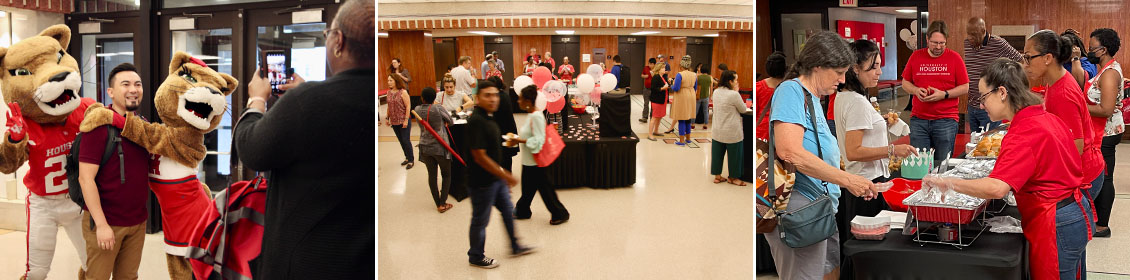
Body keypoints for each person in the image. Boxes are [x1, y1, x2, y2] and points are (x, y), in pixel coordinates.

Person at [234, 0, 374, 277]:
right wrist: (307, 91)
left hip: (305, 259)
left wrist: (256, 101)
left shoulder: (308, 101)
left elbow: (251, 149)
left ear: (339, 41)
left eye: (327, 34)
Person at [923, 58, 1090, 280]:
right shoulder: (1043, 117)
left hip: (1056, 220)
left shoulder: (1024, 131)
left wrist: (948, 183)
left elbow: (997, 188)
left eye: (983, 97)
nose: (981, 105)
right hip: (1073, 211)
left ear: (1002, 92)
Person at [766, 31, 877, 280]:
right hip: (799, 209)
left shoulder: (813, 97)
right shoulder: (791, 91)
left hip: (819, 208)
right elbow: (789, 151)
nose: (841, 80)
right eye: (838, 73)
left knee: (828, 272)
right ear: (818, 65)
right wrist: (847, 180)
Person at [832, 40, 918, 258]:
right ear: (855, 68)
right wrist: (892, 150)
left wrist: (879, 121)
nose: (879, 72)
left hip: (858, 182)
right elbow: (854, 151)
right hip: (867, 183)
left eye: (880, 65)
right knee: (870, 252)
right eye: (874, 67)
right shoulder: (857, 102)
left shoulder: (845, 97)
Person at [1024, 30, 1104, 225]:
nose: (1026, 64)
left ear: (1048, 58)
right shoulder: (1055, 82)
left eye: (1028, 57)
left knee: (1069, 244)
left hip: (1083, 174)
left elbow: (1074, 147)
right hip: (1081, 170)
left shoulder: (1063, 93)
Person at [77, 63, 148, 280]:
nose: (133, 89)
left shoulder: (142, 126)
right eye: (125, 84)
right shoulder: (98, 127)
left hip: (137, 223)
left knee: (128, 277)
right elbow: (85, 178)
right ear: (110, 91)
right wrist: (101, 225)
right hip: (107, 222)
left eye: (137, 84)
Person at [465, 81, 536, 269]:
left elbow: (491, 152)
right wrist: (505, 175)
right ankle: (476, 255)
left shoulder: (490, 117)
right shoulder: (477, 121)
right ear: (478, 98)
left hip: (495, 179)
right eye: (487, 95)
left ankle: (515, 245)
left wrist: (501, 176)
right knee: (480, 220)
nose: (493, 98)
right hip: (482, 183)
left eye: (495, 94)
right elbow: (479, 157)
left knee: (507, 211)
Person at [902, 20, 970, 166]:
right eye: (934, 43)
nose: (938, 47)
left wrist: (943, 94)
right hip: (919, 120)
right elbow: (905, 83)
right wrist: (915, 90)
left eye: (942, 43)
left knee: (942, 164)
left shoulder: (954, 58)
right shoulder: (916, 57)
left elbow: (965, 87)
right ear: (927, 39)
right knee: (919, 163)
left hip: (946, 120)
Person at [510, 85, 570, 225]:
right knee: (528, 189)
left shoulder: (536, 116)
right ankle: (523, 210)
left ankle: (560, 213)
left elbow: (539, 141)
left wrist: (519, 140)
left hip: (536, 162)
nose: (518, 102)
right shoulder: (531, 114)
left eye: (520, 99)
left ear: (528, 101)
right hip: (529, 160)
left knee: (545, 191)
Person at [1085, 28, 1123, 238]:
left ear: (1103, 50)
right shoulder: (1104, 69)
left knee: (1106, 177)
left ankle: (1103, 225)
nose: (1089, 51)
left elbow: (1106, 109)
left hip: (1107, 132)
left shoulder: (1109, 73)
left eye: (1092, 48)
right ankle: (1097, 219)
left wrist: (1079, 108)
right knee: (1102, 175)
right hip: (1102, 130)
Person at [964, 17, 1022, 131]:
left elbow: (1020, 61)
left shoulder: (998, 43)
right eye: (968, 35)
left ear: (983, 31)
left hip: (991, 106)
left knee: (990, 142)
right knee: (975, 143)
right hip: (972, 105)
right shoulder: (967, 43)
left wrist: (1006, 80)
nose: (970, 38)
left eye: (974, 35)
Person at [415, 87, 454, 213]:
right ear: (434, 98)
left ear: (422, 98)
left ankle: (437, 203)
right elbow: (451, 121)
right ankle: (443, 203)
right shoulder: (438, 108)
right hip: (440, 146)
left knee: (432, 175)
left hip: (425, 146)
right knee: (446, 174)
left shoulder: (416, 109)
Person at [710, 70, 752, 185]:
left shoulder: (716, 92)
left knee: (717, 154)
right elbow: (743, 109)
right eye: (736, 80)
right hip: (732, 131)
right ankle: (733, 178)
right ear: (730, 81)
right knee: (735, 155)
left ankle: (717, 176)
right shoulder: (734, 94)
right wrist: (736, 92)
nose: (737, 82)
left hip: (717, 129)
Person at [486, 76, 519, 172]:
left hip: (502, 130)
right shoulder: (504, 95)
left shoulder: (498, 97)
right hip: (508, 128)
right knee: (507, 157)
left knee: (503, 156)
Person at [385, 73, 414, 169]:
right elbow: (389, 106)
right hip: (394, 121)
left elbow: (408, 106)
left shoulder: (403, 92)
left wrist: (406, 120)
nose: (389, 82)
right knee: (401, 141)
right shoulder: (388, 93)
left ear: (396, 81)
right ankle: (407, 157)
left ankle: (411, 160)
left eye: (391, 80)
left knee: (406, 140)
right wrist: (387, 117)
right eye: (388, 80)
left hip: (403, 120)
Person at [756, 52, 787, 140]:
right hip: (783, 130)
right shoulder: (790, 87)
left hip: (762, 130)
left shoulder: (758, 86)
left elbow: (756, 111)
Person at [670, 55, 698, 146]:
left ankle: (681, 141)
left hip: (682, 96)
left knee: (681, 118)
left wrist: (671, 84)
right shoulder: (694, 74)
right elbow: (695, 87)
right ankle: (688, 138)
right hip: (691, 95)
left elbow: (676, 88)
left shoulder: (680, 74)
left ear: (681, 66)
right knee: (688, 118)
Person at [647, 63, 670, 141]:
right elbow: (654, 88)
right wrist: (663, 88)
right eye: (663, 68)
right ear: (659, 69)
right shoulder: (656, 77)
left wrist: (668, 84)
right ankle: (650, 134)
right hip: (657, 100)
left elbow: (665, 85)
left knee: (659, 116)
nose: (664, 69)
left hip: (662, 100)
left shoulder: (662, 77)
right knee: (654, 117)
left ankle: (656, 131)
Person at [694, 63, 714, 130]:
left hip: (698, 96)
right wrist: (711, 96)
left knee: (695, 110)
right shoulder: (710, 77)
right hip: (706, 96)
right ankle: (705, 124)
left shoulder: (697, 76)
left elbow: (695, 86)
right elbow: (711, 88)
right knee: (705, 111)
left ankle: (692, 124)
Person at [640, 58, 656, 123]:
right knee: (646, 103)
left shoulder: (656, 70)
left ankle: (652, 117)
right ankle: (644, 117)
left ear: (654, 64)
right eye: (649, 63)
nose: (650, 65)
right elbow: (642, 75)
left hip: (653, 90)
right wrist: (645, 76)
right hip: (646, 88)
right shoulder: (646, 68)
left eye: (651, 64)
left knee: (653, 104)